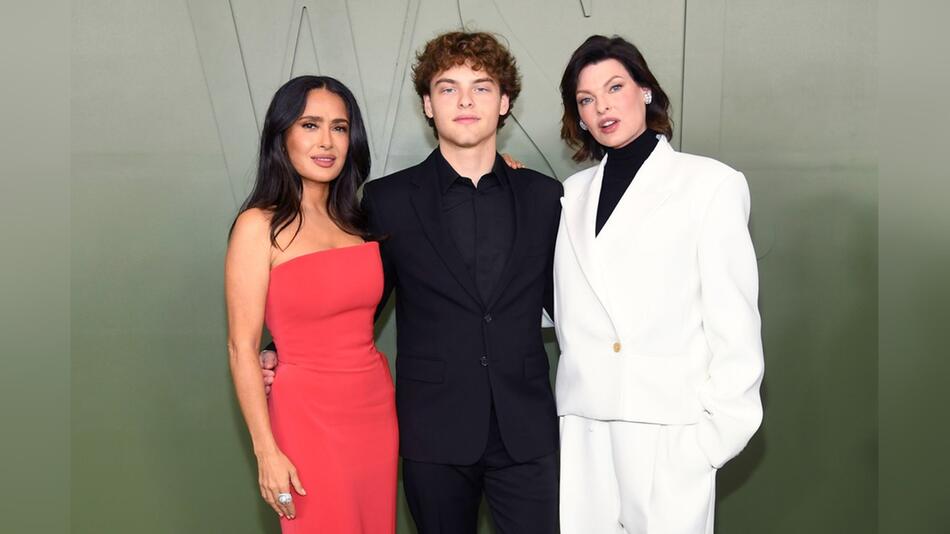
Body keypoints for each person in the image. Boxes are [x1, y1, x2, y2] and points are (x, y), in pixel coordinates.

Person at [262, 32, 562, 533]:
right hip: (432, 432)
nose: (465, 101)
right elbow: (354, 294)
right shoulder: (386, 200)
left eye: (482, 87)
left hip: (527, 430)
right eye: (448, 88)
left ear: (505, 101)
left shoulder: (545, 197)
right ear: (427, 104)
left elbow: (575, 301)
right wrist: (278, 348)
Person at [552, 35, 765, 534]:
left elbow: (735, 325)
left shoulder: (710, 184)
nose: (602, 106)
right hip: (585, 424)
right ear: (578, 116)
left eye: (615, 86)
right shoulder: (570, 195)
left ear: (645, 90)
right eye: (586, 99)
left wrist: (708, 444)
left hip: (670, 432)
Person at [226, 75, 397, 533]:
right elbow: (242, 348)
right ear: (282, 136)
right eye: (310, 125)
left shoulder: (360, 221)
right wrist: (266, 451)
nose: (326, 142)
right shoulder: (258, 226)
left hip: (374, 410)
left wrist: (500, 163)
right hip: (306, 419)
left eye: (339, 128)